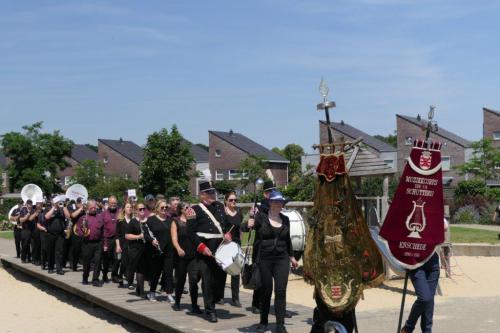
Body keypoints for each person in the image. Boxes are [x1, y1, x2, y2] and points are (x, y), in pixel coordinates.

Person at [245, 190, 298, 333]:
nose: (278, 204)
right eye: (275, 202)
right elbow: (245, 229)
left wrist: (292, 257)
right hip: (264, 258)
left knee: (281, 291)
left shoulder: (285, 219)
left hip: (281, 259)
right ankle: (263, 322)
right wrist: (248, 223)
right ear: (270, 203)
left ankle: (280, 324)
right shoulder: (261, 217)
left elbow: (287, 240)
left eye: (280, 202)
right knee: (266, 291)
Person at [186, 180, 232, 323]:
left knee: (219, 279)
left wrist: (227, 234)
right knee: (207, 280)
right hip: (204, 250)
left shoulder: (219, 206)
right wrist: (201, 247)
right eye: (210, 192)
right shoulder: (194, 210)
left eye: (214, 192)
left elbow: (226, 225)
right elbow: (190, 232)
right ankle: (210, 310)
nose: (213, 194)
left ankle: (214, 301)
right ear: (202, 195)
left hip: (220, 248)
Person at [400, 220, 449, 333]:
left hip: (432, 261)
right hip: (416, 261)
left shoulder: (432, 213)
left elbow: (445, 226)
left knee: (429, 301)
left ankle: (427, 331)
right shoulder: (411, 214)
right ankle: (408, 327)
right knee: (425, 298)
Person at [171, 202, 200, 313]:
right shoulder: (176, 221)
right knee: (180, 279)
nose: (189, 209)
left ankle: (194, 305)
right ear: (181, 210)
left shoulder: (193, 221)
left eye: (190, 207)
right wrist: (178, 248)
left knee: (193, 279)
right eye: (187, 207)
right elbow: (174, 238)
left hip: (193, 255)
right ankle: (177, 302)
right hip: (181, 255)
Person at [145, 199, 175, 303]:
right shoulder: (151, 220)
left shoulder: (171, 220)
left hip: (169, 250)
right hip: (156, 251)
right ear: (157, 209)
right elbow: (146, 234)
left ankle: (169, 294)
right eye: (162, 207)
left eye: (166, 207)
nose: (164, 209)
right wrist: (152, 240)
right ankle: (152, 292)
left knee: (169, 272)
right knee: (155, 273)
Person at [75, 200, 104, 287]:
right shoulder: (83, 218)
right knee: (86, 263)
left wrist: (104, 243)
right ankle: (85, 277)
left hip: (98, 243)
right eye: (91, 207)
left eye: (95, 207)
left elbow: (103, 230)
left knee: (98, 262)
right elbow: (77, 229)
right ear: (87, 208)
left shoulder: (100, 217)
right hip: (87, 243)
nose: (93, 208)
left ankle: (95, 279)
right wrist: (83, 234)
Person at [223, 191, 243, 307]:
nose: (233, 202)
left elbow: (240, 230)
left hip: (236, 244)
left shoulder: (239, 213)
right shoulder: (222, 213)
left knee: (236, 271)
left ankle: (235, 298)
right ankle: (220, 296)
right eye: (231, 200)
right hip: (225, 244)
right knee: (223, 270)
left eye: (235, 200)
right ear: (226, 201)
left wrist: (240, 245)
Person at [125, 202, 150, 297]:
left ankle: (139, 290)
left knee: (143, 269)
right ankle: (141, 291)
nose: (142, 210)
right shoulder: (133, 222)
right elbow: (127, 236)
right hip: (135, 248)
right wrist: (138, 236)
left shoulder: (148, 221)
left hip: (147, 248)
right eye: (140, 209)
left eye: (144, 209)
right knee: (139, 269)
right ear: (136, 211)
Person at [43, 196, 69, 275]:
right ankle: (50, 267)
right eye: (55, 201)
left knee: (59, 252)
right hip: (50, 234)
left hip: (60, 234)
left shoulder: (61, 209)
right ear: (52, 201)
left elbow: (68, 216)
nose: (57, 202)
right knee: (50, 251)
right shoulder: (48, 208)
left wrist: (64, 207)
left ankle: (59, 268)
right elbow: (46, 217)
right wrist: (53, 207)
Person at [102, 196, 120, 283]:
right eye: (111, 203)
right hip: (108, 239)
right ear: (108, 204)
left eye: (114, 203)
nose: (113, 204)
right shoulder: (104, 214)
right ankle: (105, 274)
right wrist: (104, 243)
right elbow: (103, 229)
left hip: (117, 239)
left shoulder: (120, 212)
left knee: (117, 258)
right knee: (106, 259)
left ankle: (114, 275)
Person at [116, 201, 133, 287]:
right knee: (124, 262)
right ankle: (120, 275)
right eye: (127, 207)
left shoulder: (134, 220)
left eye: (130, 207)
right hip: (123, 244)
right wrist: (118, 246)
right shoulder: (120, 221)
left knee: (131, 263)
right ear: (124, 210)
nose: (129, 208)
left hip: (132, 244)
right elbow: (117, 235)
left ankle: (130, 282)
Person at [68, 198, 86, 271]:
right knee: (76, 249)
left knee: (85, 250)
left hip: (84, 232)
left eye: (81, 202)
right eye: (78, 202)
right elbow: (73, 216)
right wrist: (81, 208)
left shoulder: (85, 209)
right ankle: (74, 265)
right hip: (75, 232)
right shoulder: (73, 208)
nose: (80, 204)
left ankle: (86, 265)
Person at [30, 202, 43, 266]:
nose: (39, 207)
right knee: (35, 246)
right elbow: (30, 219)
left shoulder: (43, 211)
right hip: (35, 231)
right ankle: (34, 259)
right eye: (38, 206)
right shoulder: (33, 211)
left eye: (40, 206)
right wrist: (36, 213)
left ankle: (40, 260)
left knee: (41, 246)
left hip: (42, 231)